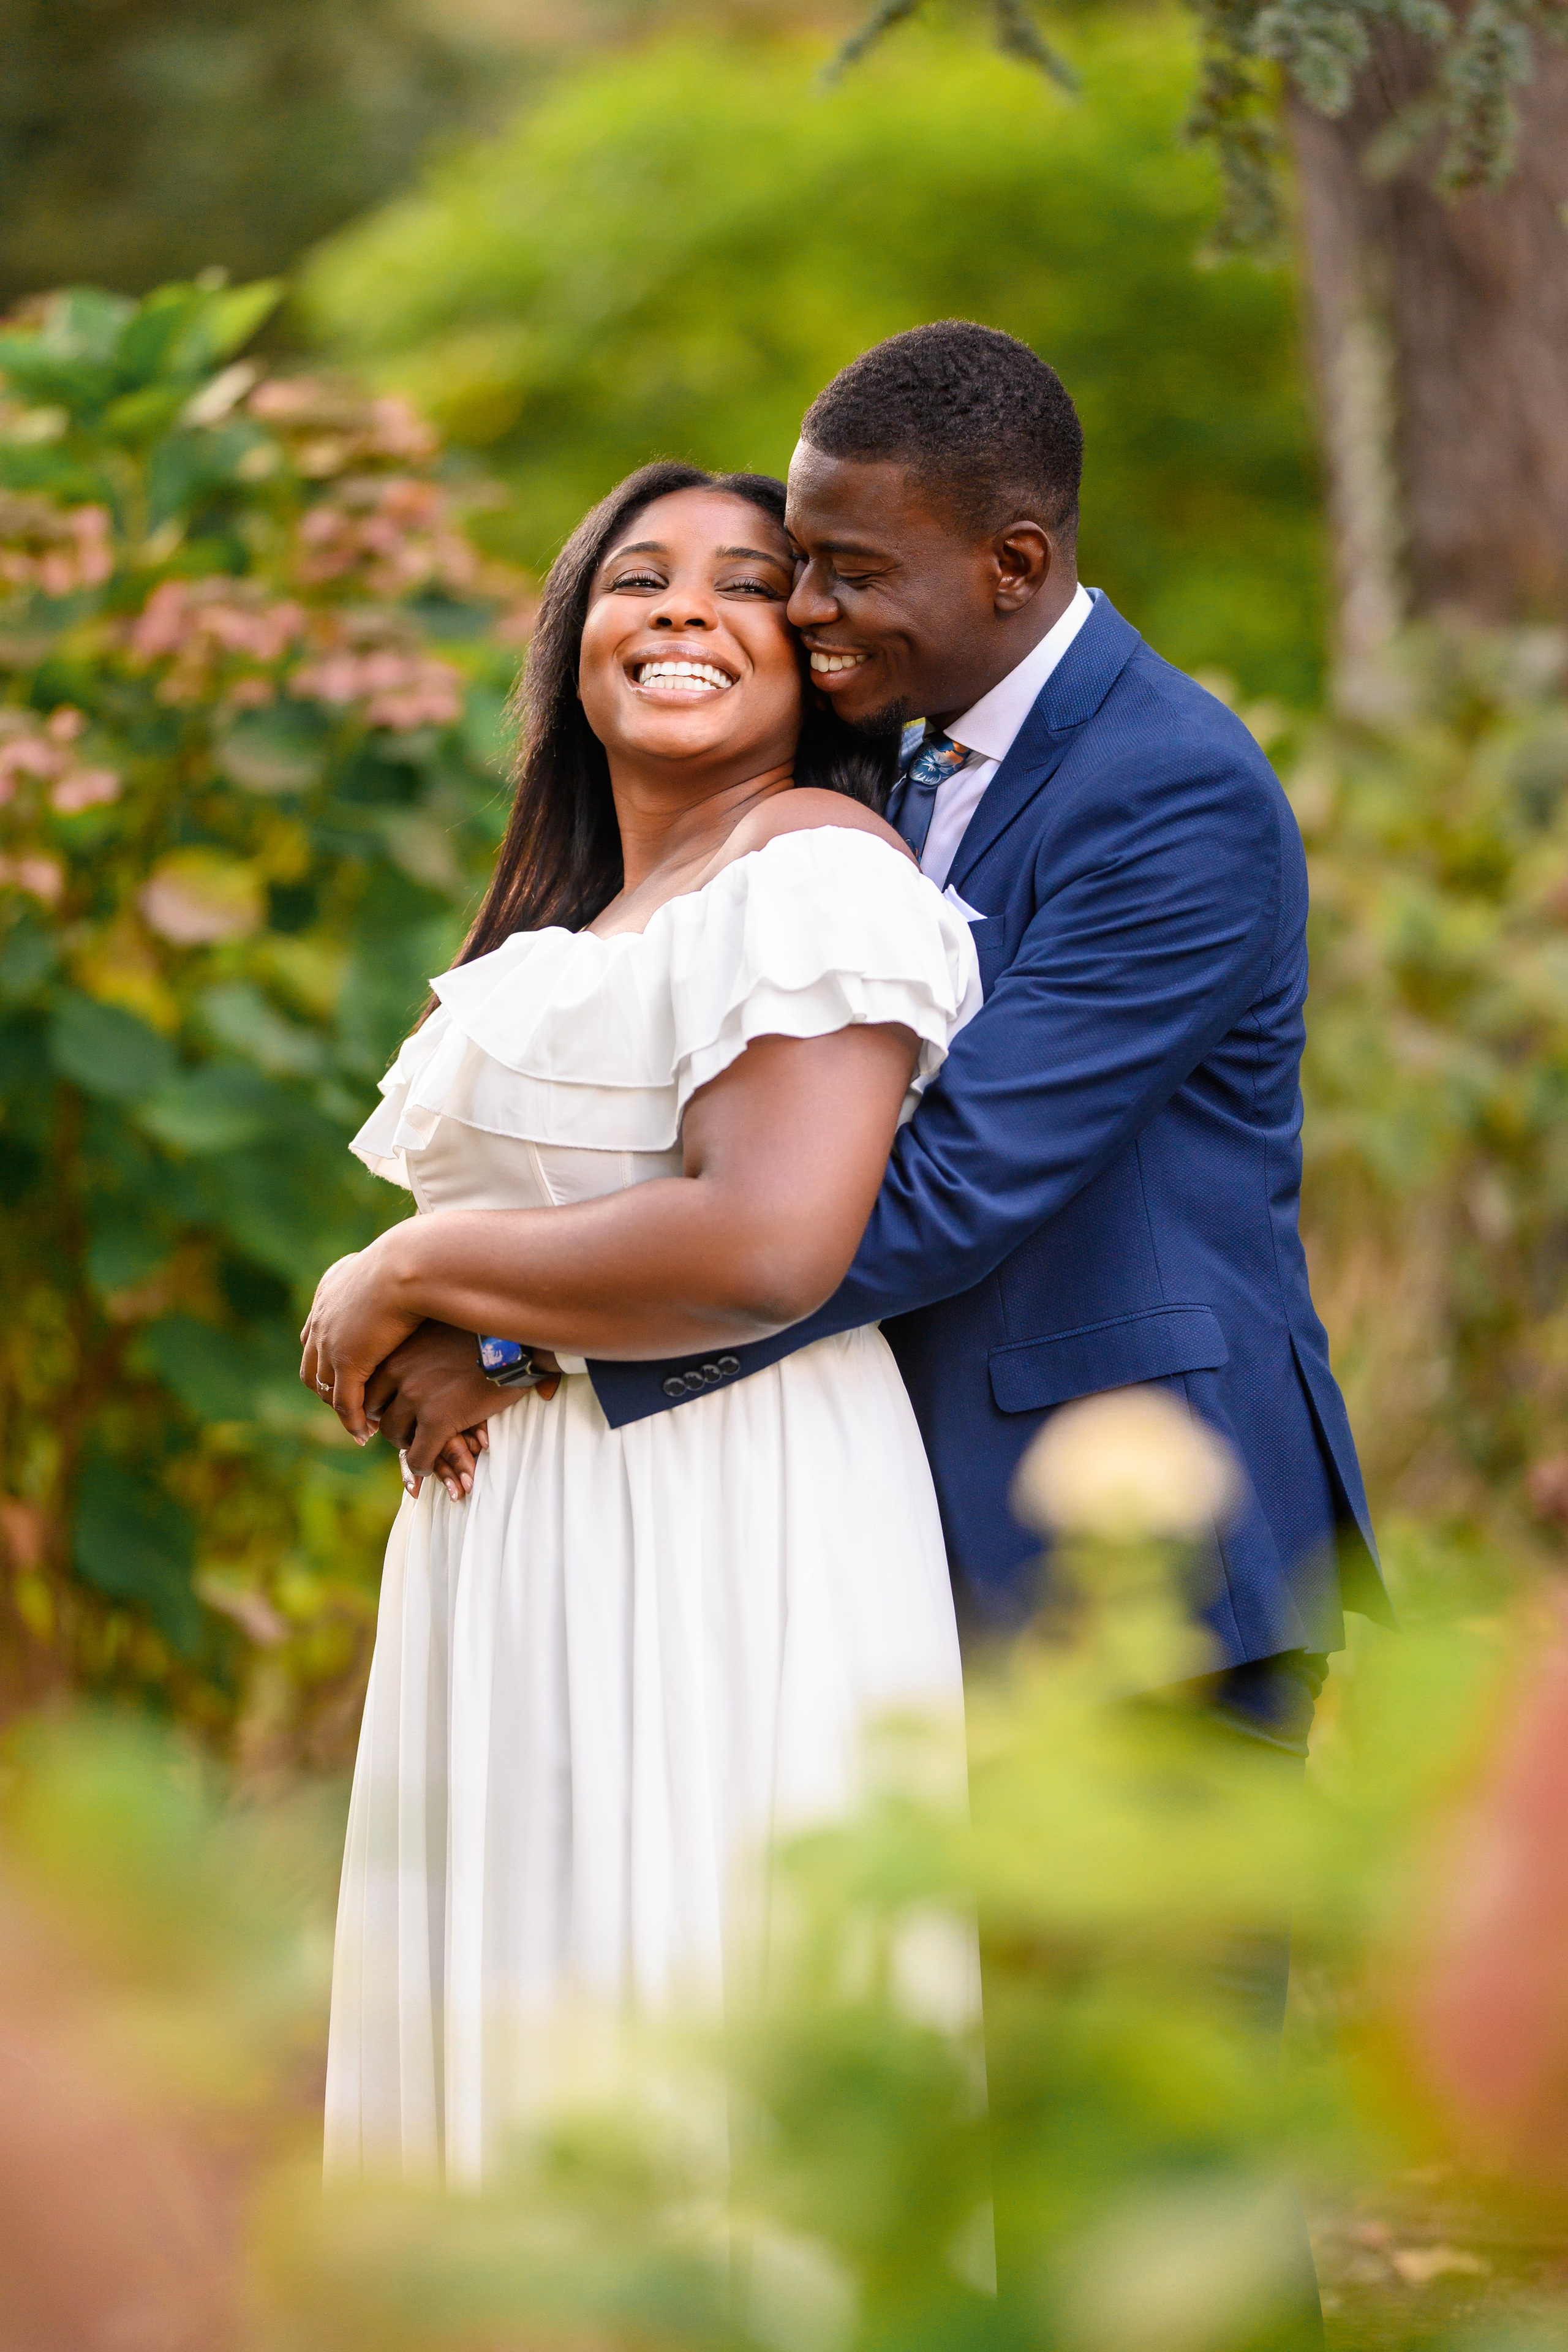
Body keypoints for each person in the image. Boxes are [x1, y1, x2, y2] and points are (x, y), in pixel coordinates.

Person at [364, 324, 1390, 2330]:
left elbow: (933, 1195)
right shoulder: (892, 764)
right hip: (892, 1538)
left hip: (1138, 1552)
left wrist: (487, 1319)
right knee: (956, 2143)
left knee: (1160, 2156)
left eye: (841, 568)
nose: (805, 605)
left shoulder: (1169, 790)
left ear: (1011, 563)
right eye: (795, 560)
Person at [303, 461, 981, 2183]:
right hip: (517, 1534)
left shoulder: (813, 872)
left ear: (815, 655)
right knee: (528, 2010)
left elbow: (767, 1241)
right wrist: (488, 1323)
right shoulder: (581, 916)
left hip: (721, 1509)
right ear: (575, 640)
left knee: (680, 1993)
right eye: (638, 576)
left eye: (748, 581)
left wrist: (409, 1267)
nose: (682, 607)